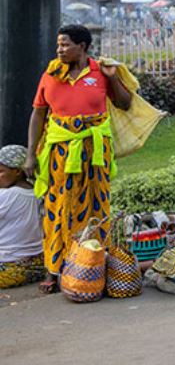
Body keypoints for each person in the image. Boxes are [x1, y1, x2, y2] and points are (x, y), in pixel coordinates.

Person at [25, 24, 132, 294]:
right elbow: (38, 114)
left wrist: (113, 77)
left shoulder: (101, 71)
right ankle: (55, 267)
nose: (59, 50)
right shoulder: (51, 74)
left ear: (82, 46)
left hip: (95, 152)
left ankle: (93, 265)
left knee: (96, 205)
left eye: (65, 44)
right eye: (58, 45)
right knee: (58, 205)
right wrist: (30, 154)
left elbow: (124, 103)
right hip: (60, 152)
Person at [0, 145, 44, 290]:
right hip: (37, 265)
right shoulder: (39, 193)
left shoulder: (6, 196)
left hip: (8, 268)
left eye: (1, 172)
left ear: (17, 171)